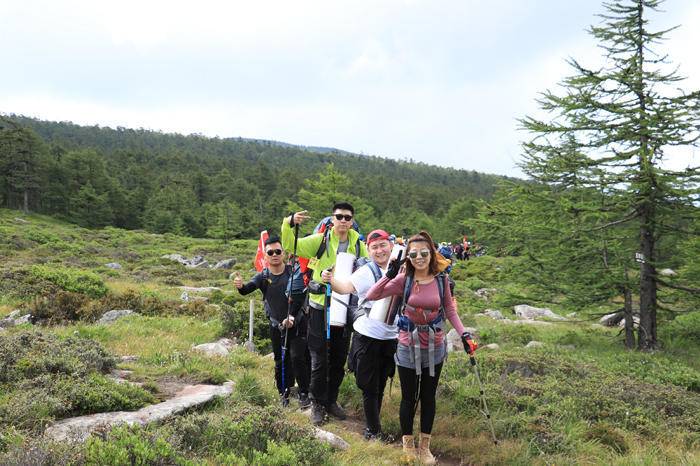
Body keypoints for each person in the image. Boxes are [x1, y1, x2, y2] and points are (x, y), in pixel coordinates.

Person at [366, 231, 473, 465]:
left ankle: (425, 447)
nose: (419, 257)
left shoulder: (441, 280)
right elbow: (373, 295)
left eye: (424, 252)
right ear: (408, 256)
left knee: (428, 397)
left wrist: (464, 334)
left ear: (431, 253)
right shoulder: (404, 279)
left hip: (434, 346)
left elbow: (450, 310)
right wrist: (389, 275)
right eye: (413, 254)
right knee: (408, 397)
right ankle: (408, 445)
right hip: (407, 345)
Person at [282, 202, 369, 425]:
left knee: (339, 358)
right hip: (320, 307)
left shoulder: (359, 245)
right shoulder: (319, 241)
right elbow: (290, 245)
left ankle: (331, 399)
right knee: (319, 357)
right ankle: (317, 403)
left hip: (344, 307)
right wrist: (289, 223)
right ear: (332, 219)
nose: (343, 221)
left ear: (352, 221)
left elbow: (369, 269)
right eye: (339, 216)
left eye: (347, 217)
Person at [322, 229, 397, 441]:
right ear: (369, 250)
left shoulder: (400, 269)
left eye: (383, 245)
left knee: (381, 383)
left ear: (390, 246)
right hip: (368, 337)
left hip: (390, 337)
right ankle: (373, 431)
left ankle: (374, 426)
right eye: (374, 247)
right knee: (370, 387)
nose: (380, 250)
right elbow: (345, 287)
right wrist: (330, 280)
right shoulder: (367, 272)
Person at [234, 236, 311, 408]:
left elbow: (302, 297)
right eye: (270, 252)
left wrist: (292, 317)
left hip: (297, 322)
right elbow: (247, 290)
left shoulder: (294, 273)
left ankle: (305, 392)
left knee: (299, 357)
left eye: (278, 251)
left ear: (283, 253)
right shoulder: (263, 276)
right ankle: (284, 392)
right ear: (266, 256)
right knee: (280, 360)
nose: (275, 254)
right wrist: (240, 286)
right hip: (276, 325)